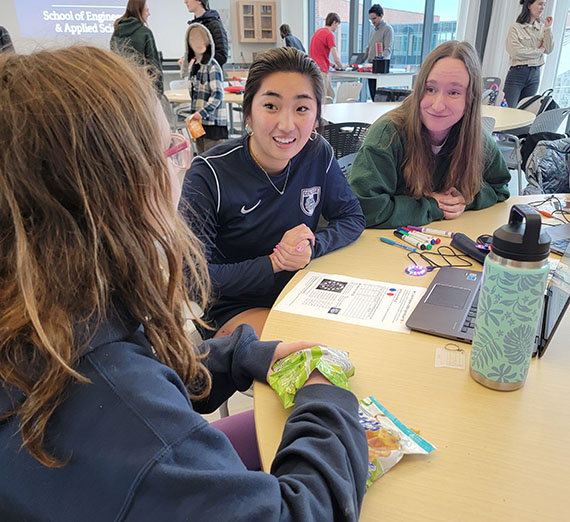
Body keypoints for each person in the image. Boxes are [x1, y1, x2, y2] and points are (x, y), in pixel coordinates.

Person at [0, 45, 368, 521]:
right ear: (129, 188)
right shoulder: (138, 429)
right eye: (171, 150)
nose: (181, 165)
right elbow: (305, 514)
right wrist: (325, 395)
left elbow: (141, 371)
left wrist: (239, 355)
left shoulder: (58, 314)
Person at [180, 47, 365, 338]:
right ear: (249, 112)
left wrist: (312, 246)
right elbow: (191, 279)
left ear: (316, 116)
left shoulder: (317, 152)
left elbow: (352, 217)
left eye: (302, 108)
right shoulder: (208, 173)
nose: (287, 124)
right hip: (236, 306)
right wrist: (274, 263)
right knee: (310, 352)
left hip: (303, 290)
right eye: (271, 106)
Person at [348, 40, 511, 229]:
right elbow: (365, 208)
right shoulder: (387, 136)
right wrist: (433, 207)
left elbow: (500, 187)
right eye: (430, 89)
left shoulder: (477, 139)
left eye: (454, 92)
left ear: (471, 99)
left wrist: (465, 200)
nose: (438, 105)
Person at [180, 23, 228, 153]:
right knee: (202, 159)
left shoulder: (212, 65)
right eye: (193, 40)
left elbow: (218, 95)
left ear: (208, 41)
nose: (197, 43)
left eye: (201, 39)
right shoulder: (196, 66)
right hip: (199, 124)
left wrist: (202, 113)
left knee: (212, 161)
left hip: (213, 123)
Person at [504, 0, 553, 109]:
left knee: (526, 112)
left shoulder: (542, 28)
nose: (543, 7)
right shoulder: (515, 28)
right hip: (517, 73)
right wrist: (539, 51)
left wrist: (548, 28)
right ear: (529, 5)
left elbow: (548, 49)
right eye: (540, 4)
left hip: (535, 74)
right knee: (508, 110)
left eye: (544, 4)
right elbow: (515, 52)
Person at [110, 0, 163, 94]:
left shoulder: (117, 31)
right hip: (142, 88)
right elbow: (153, 64)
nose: (149, 14)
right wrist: (159, 91)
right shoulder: (145, 32)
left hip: (121, 86)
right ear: (139, 11)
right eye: (146, 11)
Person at [309, 12, 344, 102]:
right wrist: (342, 67)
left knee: (330, 95)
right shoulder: (329, 34)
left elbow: (320, 54)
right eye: (337, 25)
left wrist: (333, 66)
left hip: (314, 69)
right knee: (325, 99)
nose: (336, 28)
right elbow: (336, 57)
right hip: (321, 71)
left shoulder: (318, 32)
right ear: (334, 22)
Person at [183, 0, 228, 68]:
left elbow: (221, 55)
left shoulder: (214, 24)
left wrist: (198, 62)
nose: (185, 1)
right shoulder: (195, 25)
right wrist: (186, 60)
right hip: (197, 76)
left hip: (212, 76)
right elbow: (196, 52)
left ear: (199, 1)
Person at [364, 4, 394, 100]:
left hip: (380, 68)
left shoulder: (388, 29)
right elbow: (369, 49)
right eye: (371, 19)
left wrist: (379, 62)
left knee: (379, 98)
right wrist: (359, 61)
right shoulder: (373, 32)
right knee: (373, 96)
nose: (373, 22)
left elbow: (387, 50)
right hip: (371, 67)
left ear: (381, 16)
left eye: (374, 19)